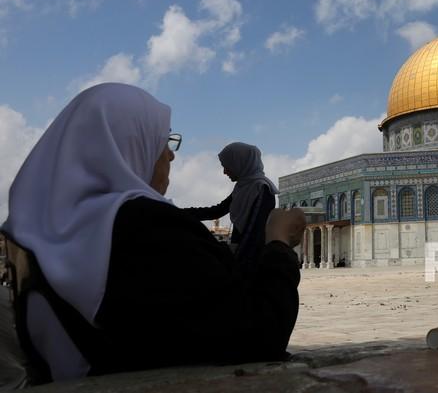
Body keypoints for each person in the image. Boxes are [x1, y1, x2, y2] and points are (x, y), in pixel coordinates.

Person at [2, 83, 306, 382]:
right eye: (164, 141)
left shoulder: (39, 234)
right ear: (130, 144)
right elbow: (260, 335)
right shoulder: (148, 230)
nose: (170, 156)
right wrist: (279, 244)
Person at [182, 142, 278, 280]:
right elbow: (217, 210)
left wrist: (238, 263)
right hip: (241, 257)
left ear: (240, 163)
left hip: (252, 261)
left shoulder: (261, 189)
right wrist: (177, 213)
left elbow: (253, 232)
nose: (225, 172)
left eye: (227, 166)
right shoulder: (242, 187)